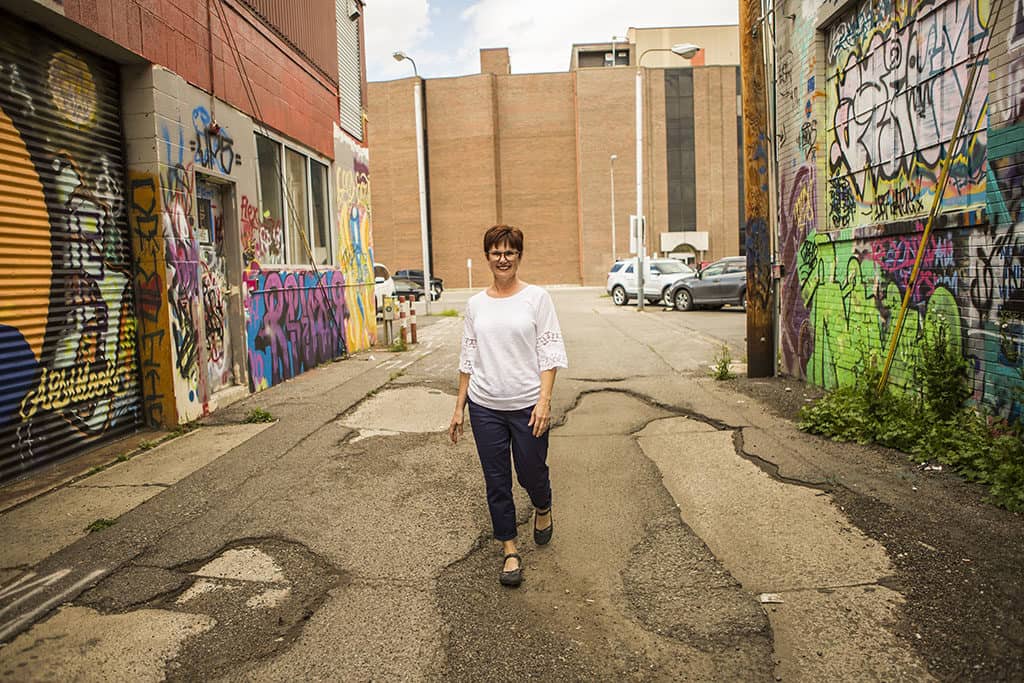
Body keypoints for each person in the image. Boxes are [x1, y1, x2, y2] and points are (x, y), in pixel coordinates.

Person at [448, 224, 568, 587]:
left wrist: (544, 400)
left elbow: (549, 352)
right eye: (496, 252)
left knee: (531, 471)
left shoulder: (537, 298)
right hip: (485, 406)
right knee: (496, 480)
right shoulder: (475, 305)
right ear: (487, 257)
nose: (503, 259)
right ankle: (509, 549)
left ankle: (542, 504)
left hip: (528, 404)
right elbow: (469, 355)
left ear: (519, 256)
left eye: (510, 252)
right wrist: (460, 407)